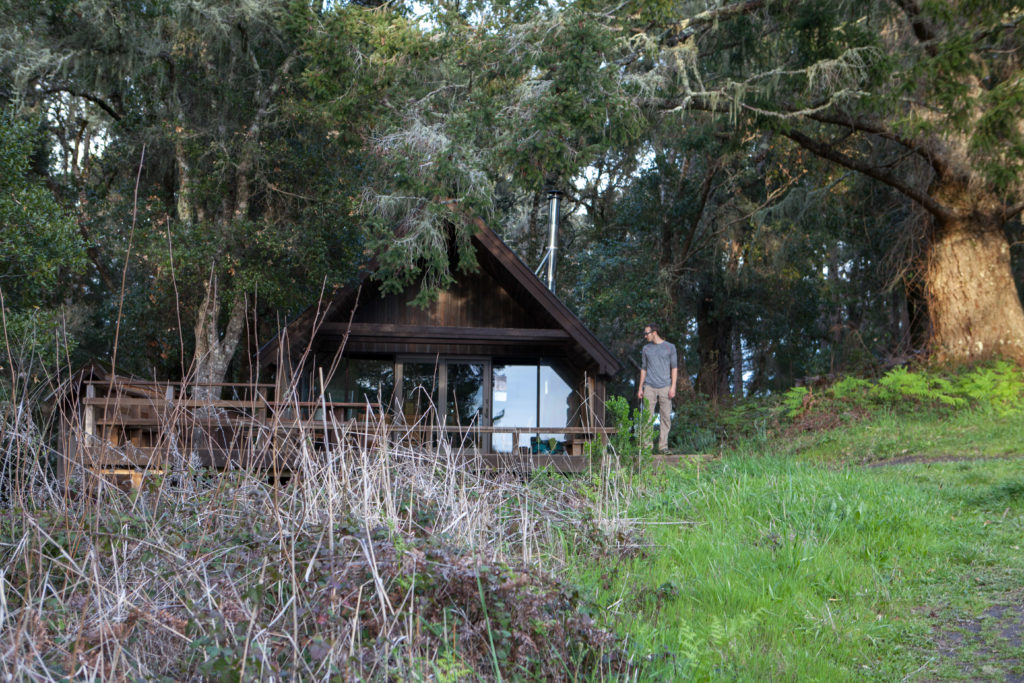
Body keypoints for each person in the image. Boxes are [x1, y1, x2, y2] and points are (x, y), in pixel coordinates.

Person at [637, 323, 677, 452]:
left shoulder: (670, 347)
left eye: (647, 333)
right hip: (649, 387)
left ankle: (663, 447)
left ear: (654, 332)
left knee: (665, 416)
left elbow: (674, 368)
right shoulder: (646, 349)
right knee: (647, 417)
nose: (645, 336)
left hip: (665, 386)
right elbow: (643, 369)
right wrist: (640, 388)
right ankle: (646, 447)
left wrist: (673, 387)